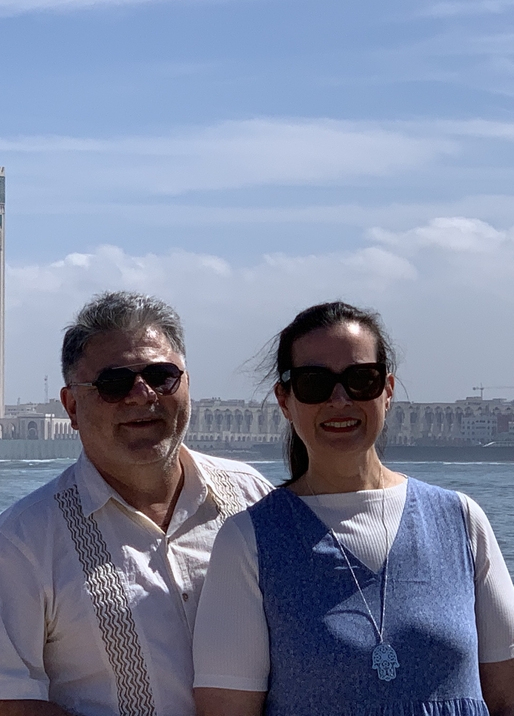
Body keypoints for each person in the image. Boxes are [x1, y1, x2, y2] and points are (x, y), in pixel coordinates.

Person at [0, 291, 272, 716]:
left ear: (187, 384)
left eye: (161, 376)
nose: (142, 394)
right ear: (72, 406)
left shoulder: (253, 499)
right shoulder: (21, 542)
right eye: (114, 384)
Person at [192, 301, 514, 716]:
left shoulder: (462, 521)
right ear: (285, 400)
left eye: (361, 379)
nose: (340, 399)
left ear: (388, 390)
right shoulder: (248, 541)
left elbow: (506, 697)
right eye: (314, 383)